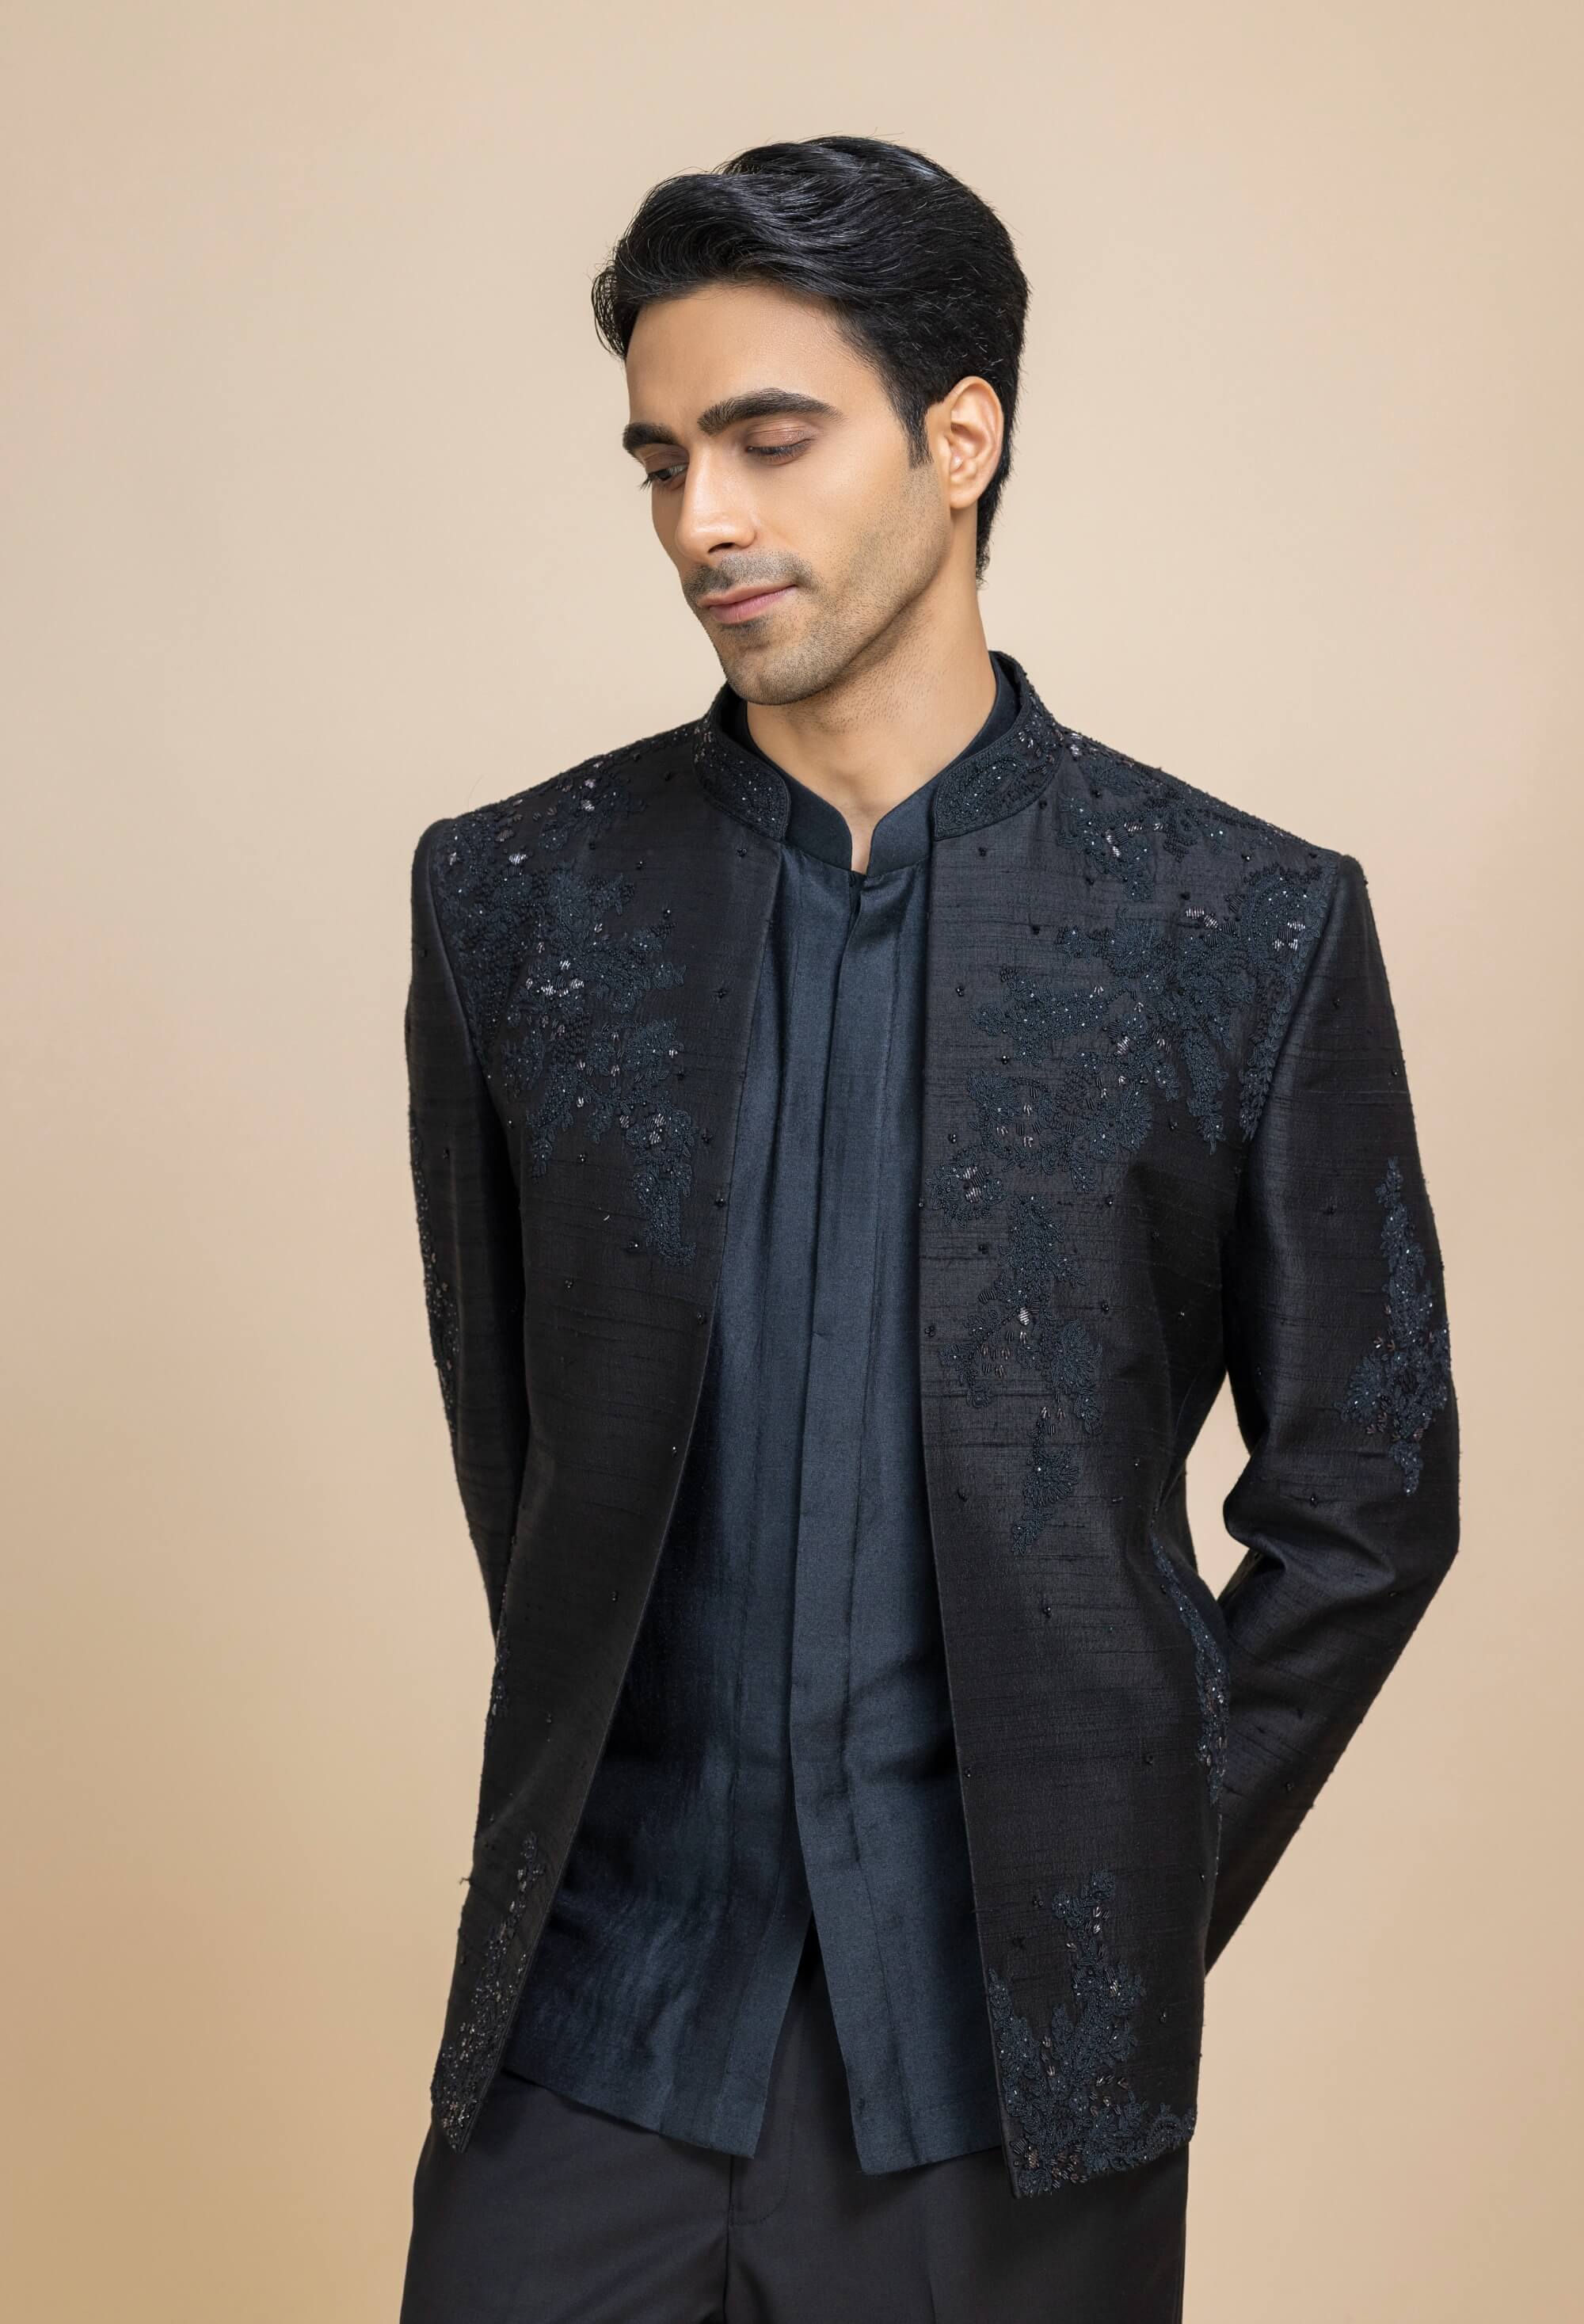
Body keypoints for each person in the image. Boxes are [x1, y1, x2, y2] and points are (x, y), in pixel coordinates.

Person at [396, 135, 1459, 2324]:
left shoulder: (1239, 925)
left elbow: (1372, 1497)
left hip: (1009, 2083)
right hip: (593, 2030)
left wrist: (1120, 1868)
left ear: (959, 438)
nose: (703, 519)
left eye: (769, 440)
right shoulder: (513, 900)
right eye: (662, 459)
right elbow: (531, 1455)